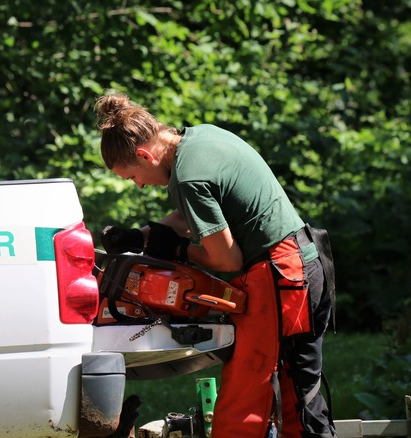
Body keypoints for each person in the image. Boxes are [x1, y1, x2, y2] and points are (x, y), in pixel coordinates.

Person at [95, 92, 337, 438]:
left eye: (133, 176)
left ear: (144, 155)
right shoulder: (200, 139)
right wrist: (145, 236)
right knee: (296, 387)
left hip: (282, 275)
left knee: (256, 397)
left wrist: (179, 249)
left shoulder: (188, 177)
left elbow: (226, 258)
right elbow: (199, 210)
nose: (141, 184)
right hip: (303, 261)